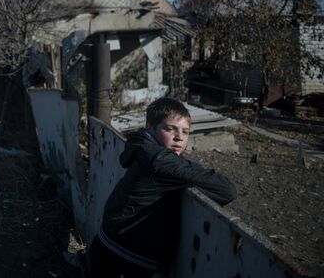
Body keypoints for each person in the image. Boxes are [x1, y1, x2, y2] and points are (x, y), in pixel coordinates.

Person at [88, 97, 236, 278]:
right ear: (150, 127)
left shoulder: (142, 146)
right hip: (125, 257)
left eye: (185, 132)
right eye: (169, 129)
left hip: (109, 244)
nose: (179, 137)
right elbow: (226, 190)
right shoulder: (160, 160)